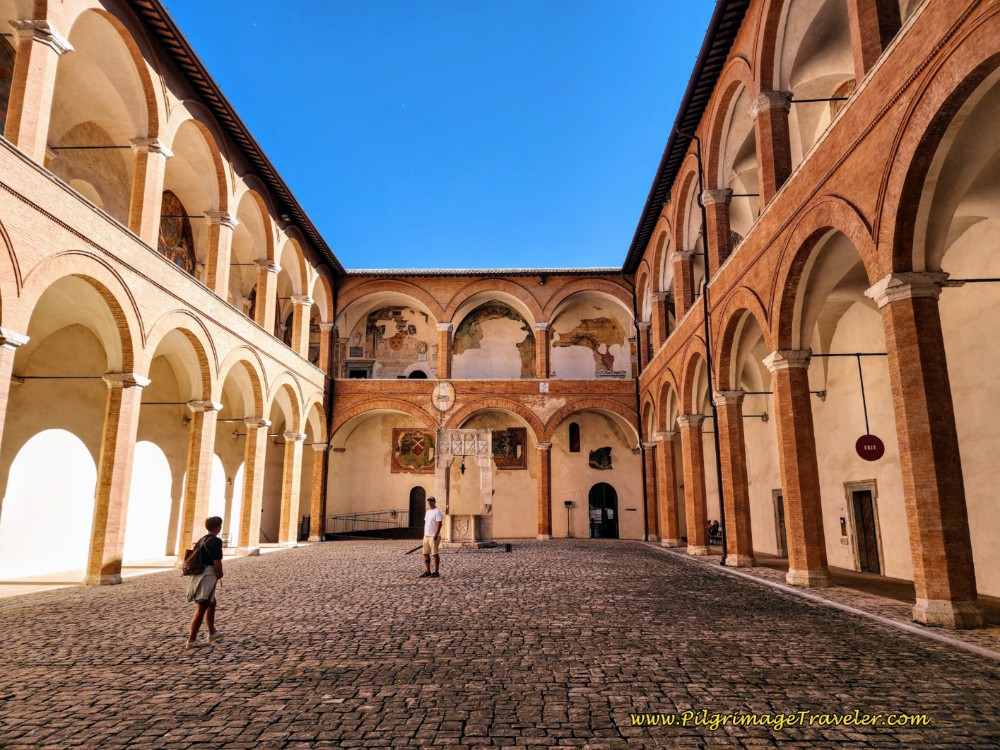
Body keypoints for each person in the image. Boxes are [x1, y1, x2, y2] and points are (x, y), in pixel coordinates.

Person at [185, 516, 225, 649]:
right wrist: (220, 573)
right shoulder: (216, 541)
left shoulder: (203, 539)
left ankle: (212, 632)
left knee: (212, 603)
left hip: (199, 573)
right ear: (218, 526)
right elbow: (217, 561)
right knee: (202, 607)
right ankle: (192, 640)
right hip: (208, 574)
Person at [420, 496, 443, 579]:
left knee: (434, 553)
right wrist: (425, 534)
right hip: (426, 536)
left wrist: (436, 534)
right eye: (429, 501)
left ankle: (436, 571)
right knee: (425, 553)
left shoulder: (437, 512)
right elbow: (427, 523)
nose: (430, 502)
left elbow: (439, 524)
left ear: (434, 502)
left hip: (434, 536)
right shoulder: (428, 512)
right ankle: (428, 571)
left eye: (431, 501)